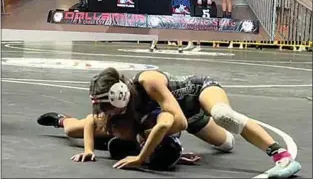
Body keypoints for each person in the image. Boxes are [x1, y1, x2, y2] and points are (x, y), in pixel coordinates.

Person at [86, 67, 301, 178]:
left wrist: (144, 152)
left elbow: (178, 122)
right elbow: (88, 123)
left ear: (118, 96)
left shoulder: (147, 81)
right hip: (191, 117)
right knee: (227, 143)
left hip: (197, 93)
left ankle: (281, 156)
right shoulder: (126, 112)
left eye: (106, 107)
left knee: (223, 115)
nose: (106, 113)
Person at [37, 109, 200, 169]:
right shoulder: (139, 120)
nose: (145, 157)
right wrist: (88, 149)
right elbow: (90, 119)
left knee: (115, 146)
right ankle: (61, 119)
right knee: (73, 130)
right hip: (115, 130)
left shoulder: (168, 140)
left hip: (122, 140)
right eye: (148, 155)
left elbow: (164, 148)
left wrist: (176, 158)